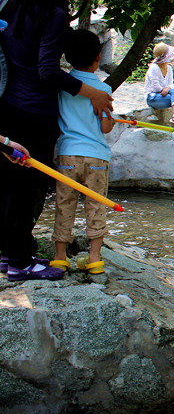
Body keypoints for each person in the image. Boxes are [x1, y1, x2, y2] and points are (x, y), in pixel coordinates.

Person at [0, 0, 114, 282]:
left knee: (7, 182)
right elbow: (47, 71)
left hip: (5, 103)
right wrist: (90, 91)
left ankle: (9, 254)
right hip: (34, 110)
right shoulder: (53, 13)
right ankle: (21, 261)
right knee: (28, 186)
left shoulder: (13, 0)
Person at [51, 29, 115, 275]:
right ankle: (94, 258)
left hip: (67, 154)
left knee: (64, 204)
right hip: (97, 157)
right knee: (96, 206)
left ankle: (59, 257)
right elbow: (106, 127)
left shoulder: (62, 86)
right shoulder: (104, 88)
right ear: (98, 57)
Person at [144, 42, 174, 127]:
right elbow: (155, 87)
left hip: (165, 95)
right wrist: (164, 89)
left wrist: (167, 89)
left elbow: (171, 84)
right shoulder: (154, 68)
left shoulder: (169, 68)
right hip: (152, 97)